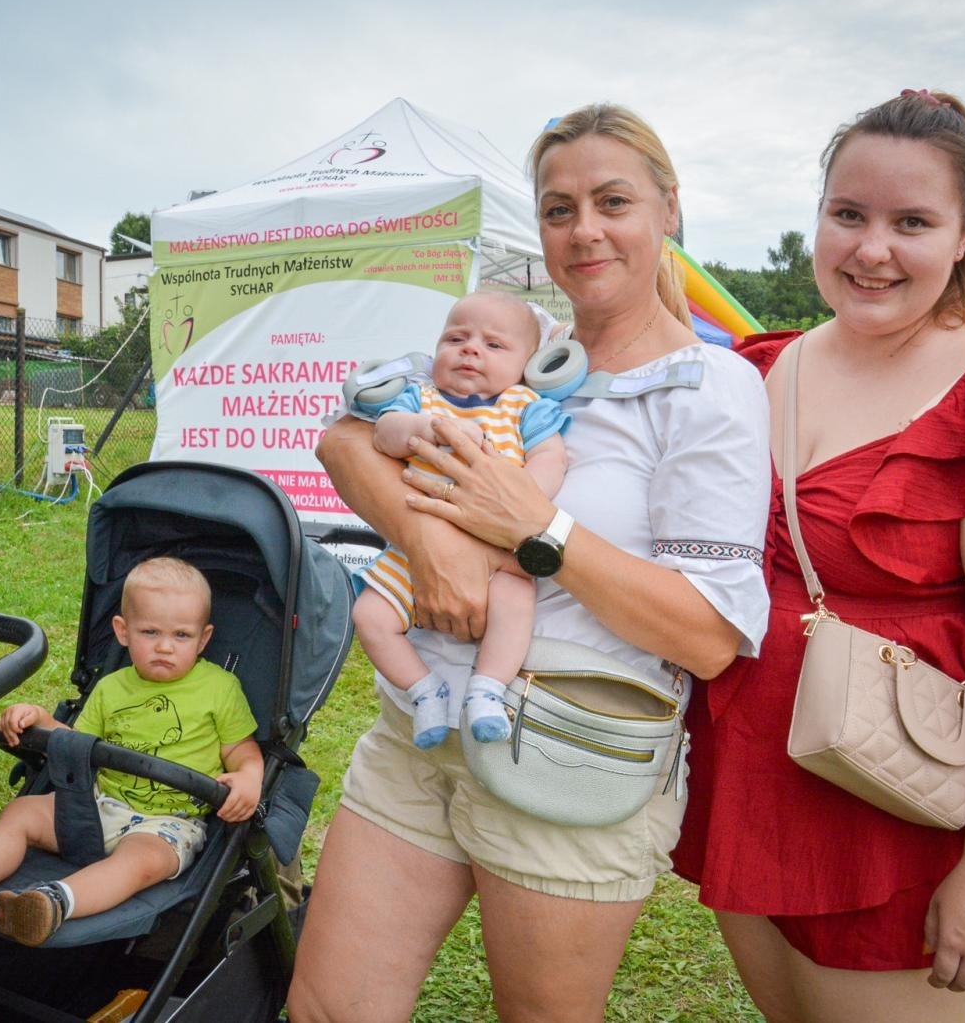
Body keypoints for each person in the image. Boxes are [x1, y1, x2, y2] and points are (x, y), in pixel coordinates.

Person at [288, 103, 772, 1023]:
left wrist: (537, 530)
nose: (584, 230)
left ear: (669, 209)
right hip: (419, 733)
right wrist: (432, 545)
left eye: (613, 201)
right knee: (325, 1009)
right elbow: (346, 439)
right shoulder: (518, 351)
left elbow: (709, 636)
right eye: (558, 208)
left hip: (568, 755)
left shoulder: (712, 386)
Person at [672, 90, 965, 1023]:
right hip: (749, 782)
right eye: (848, 215)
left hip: (894, 810)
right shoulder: (764, 369)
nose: (871, 249)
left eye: (911, 223)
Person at [0, 557, 261, 947]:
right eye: (150, 631)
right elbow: (79, 744)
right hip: (98, 805)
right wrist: (41, 720)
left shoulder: (219, 688)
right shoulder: (112, 688)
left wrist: (249, 776)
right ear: (123, 631)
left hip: (167, 823)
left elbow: (241, 748)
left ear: (203, 638)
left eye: (182, 636)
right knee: (23, 812)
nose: (165, 647)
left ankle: (53, 902)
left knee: (138, 863)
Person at [351, 291, 569, 749]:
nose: (470, 349)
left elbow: (551, 457)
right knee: (369, 616)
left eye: (494, 345)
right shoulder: (421, 398)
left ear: (527, 364)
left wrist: (524, 498)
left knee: (515, 601)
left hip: (496, 548)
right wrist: (423, 430)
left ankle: (487, 689)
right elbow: (385, 436)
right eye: (456, 338)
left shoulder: (523, 406)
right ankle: (424, 690)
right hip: (414, 549)